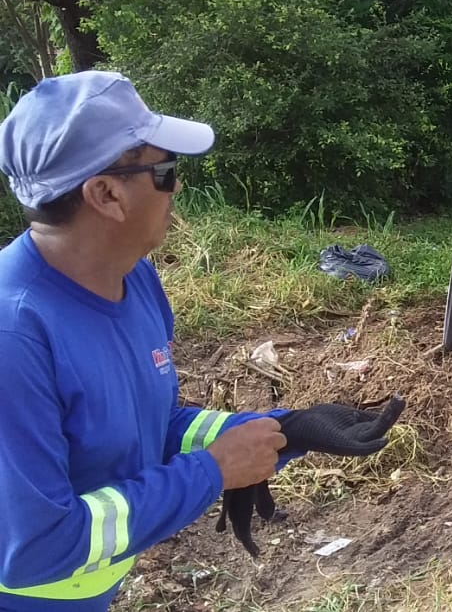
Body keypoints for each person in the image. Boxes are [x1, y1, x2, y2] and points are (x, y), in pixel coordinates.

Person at [0, 71, 307, 611]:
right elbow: (40, 548)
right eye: (165, 172)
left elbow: (149, 426)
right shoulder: (15, 334)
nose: (179, 186)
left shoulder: (133, 278)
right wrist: (212, 471)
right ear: (106, 194)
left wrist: (283, 431)